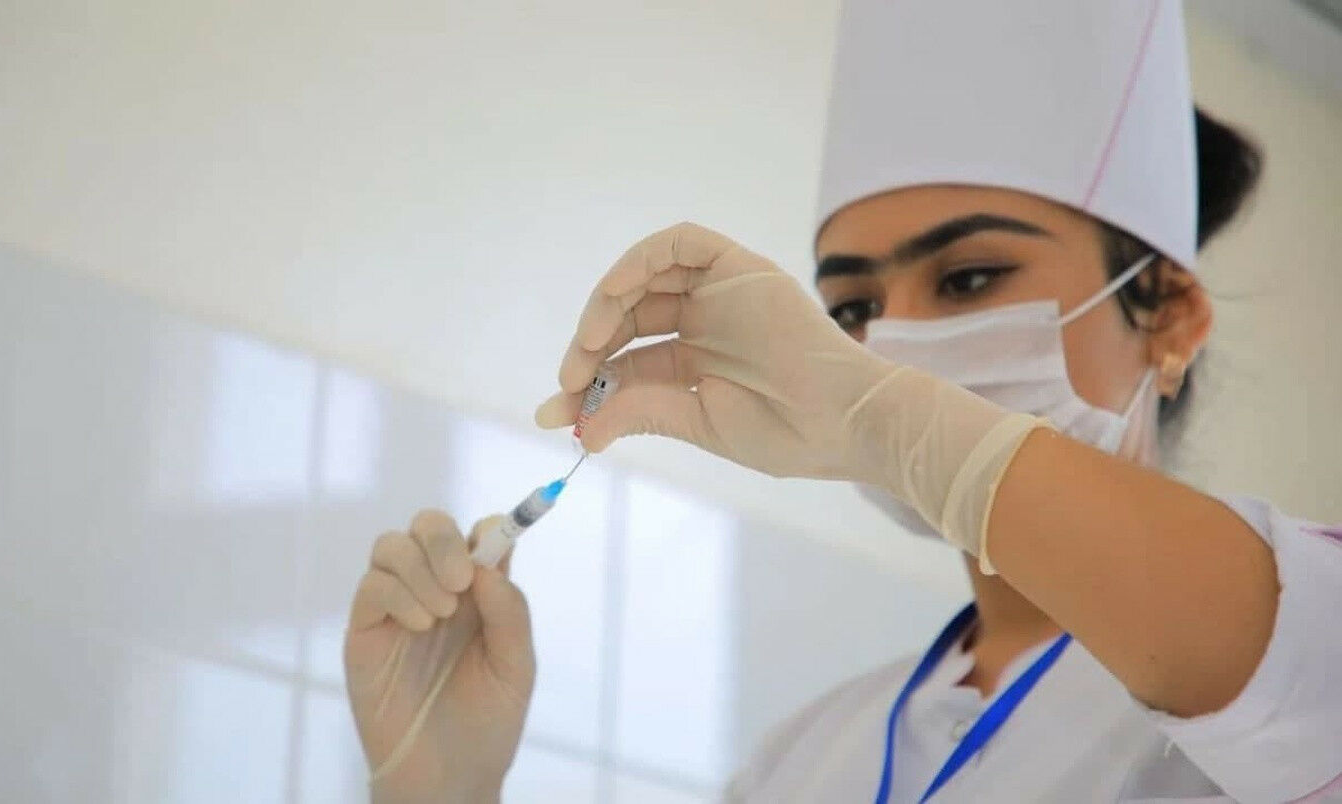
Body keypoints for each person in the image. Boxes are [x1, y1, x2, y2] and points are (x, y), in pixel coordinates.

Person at [343, 1, 1342, 801]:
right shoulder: (803, 759)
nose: (890, 350)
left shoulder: (1294, 662)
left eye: (968, 278)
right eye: (852, 309)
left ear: (1169, 317)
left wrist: (887, 421)